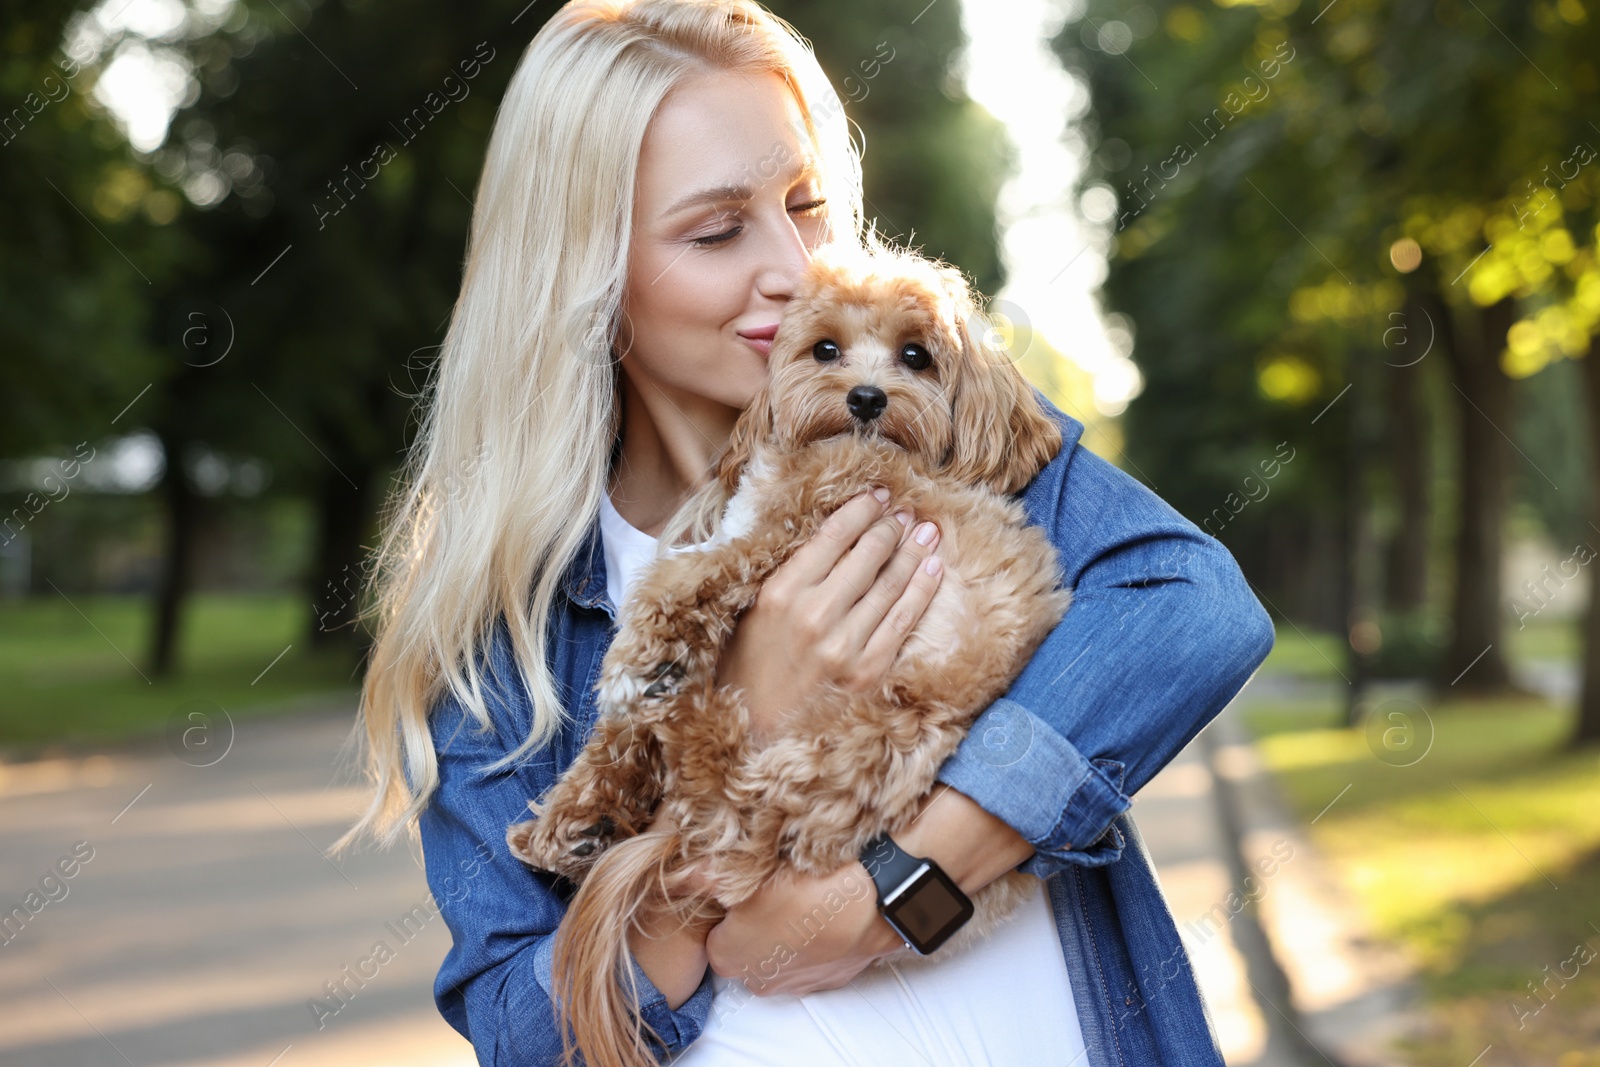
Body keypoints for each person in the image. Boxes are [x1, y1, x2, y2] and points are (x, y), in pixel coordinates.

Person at [339, 1, 1276, 1064]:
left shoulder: (948, 439)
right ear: (584, 280)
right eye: (716, 229)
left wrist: (885, 895)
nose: (791, 266)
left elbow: (1196, 610)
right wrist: (739, 739)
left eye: (806, 203)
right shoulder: (506, 636)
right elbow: (525, 1031)